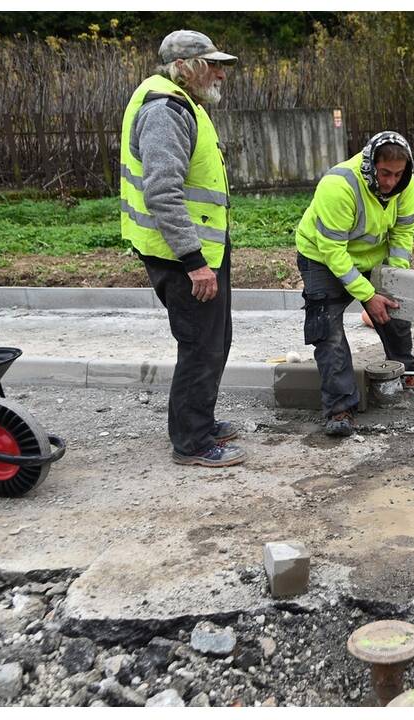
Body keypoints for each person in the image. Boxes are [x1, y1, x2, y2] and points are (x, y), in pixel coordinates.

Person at [120, 30, 245, 467]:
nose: (220, 73)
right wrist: (195, 263)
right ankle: (191, 442)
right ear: (186, 67)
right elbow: (162, 192)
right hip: (182, 256)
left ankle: (200, 422)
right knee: (200, 345)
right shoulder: (166, 110)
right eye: (212, 64)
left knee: (214, 340)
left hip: (196, 249)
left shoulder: (181, 102)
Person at [296, 131, 414, 437]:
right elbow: (332, 251)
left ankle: (402, 368)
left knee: (393, 308)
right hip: (322, 258)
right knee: (327, 329)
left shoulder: (405, 183)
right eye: (384, 173)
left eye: (397, 174)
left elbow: (403, 233)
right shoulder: (339, 185)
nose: (390, 182)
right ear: (371, 166)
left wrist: (394, 280)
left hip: (372, 257)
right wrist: (367, 296)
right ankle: (340, 407)